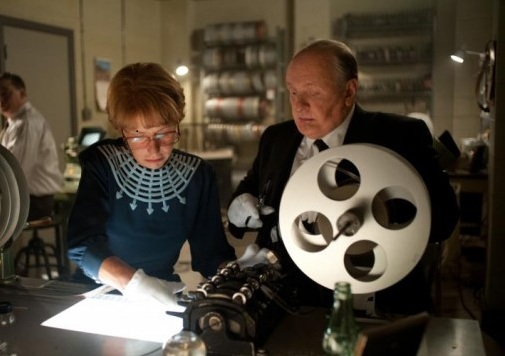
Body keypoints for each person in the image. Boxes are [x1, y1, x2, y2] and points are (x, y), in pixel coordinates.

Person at [227, 39, 459, 315]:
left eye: (313, 93)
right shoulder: (276, 139)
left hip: (367, 295)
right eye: (292, 92)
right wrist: (238, 209)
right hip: (284, 298)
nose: (299, 105)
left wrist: (374, 215)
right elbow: (247, 196)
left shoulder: (399, 136)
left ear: (349, 91)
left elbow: (444, 219)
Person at [66, 63, 236, 309]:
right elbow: (82, 245)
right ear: (120, 129)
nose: (153, 149)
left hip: (161, 293)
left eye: (164, 134)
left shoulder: (198, 176)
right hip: (99, 291)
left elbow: (211, 255)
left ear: (178, 122)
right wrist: (132, 283)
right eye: (137, 137)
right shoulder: (103, 164)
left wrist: (235, 273)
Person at [0, 72, 63, 221]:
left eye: (5, 94)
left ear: (22, 93)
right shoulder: (13, 122)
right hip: (24, 198)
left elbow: (16, 172)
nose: (1, 100)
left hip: (35, 202)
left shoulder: (27, 123)